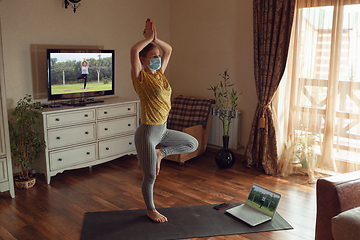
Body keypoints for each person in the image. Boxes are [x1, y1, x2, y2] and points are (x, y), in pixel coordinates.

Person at [130, 18, 198, 223]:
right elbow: (133, 51)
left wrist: (155, 39)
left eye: (158, 56)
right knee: (150, 177)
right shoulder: (141, 77)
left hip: (163, 130)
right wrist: (147, 38)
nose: (158, 58)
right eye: (153, 56)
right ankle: (151, 209)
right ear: (143, 59)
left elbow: (169, 50)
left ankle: (162, 153)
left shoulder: (160, 74)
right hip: (147, 134)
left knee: (192, 143)